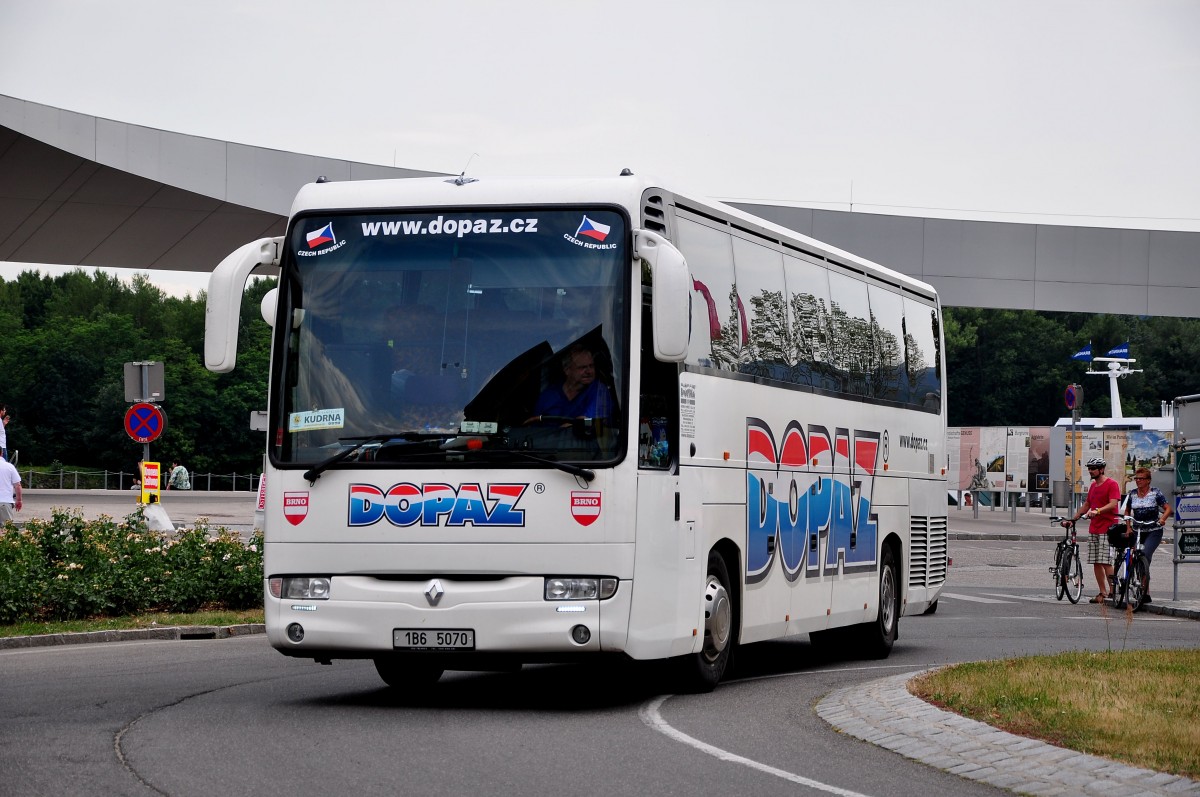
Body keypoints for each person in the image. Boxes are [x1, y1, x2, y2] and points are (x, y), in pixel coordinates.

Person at [1065, 456, 1121, 603]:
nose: (1090, 471)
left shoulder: (1112, 484)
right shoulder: (1093, 486)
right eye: (1089, 468)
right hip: (1094, 528)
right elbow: (1087, 504)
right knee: (1096, 561)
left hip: (1107, 527)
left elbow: (1113, 503)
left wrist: (1098, 511)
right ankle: (1102, 593)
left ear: (1101, 469)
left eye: (1093, 468)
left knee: (1106, 561)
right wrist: (1074, 518)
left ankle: (1113, 591)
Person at [1119, 466, 1172, 604]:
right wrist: (1128, 527)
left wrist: (1162, 519)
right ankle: (1137, 586)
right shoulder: (1132, 494)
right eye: (1136, 478)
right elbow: (1127, 512)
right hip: (1137, 530)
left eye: (1141, 479)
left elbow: (1167, 508)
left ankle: (1145, 589)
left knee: (1145, 555)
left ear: (1148, 480)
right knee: (1134, 558)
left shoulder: (1155, 493)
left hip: (1153, 530)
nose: (1138, 481)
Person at [527, 344, 614, 425]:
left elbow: (589, 423)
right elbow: (532, 427)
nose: (589, 371)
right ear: (567, 370)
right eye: (582, 367)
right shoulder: (547, 396)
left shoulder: (599, 391)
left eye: (591, 366)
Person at [0, 451, 22, 524]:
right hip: (5, 502)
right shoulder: (9, 467)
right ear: (2, 453)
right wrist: (19, 500)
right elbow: (17, 485)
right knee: (6, 531)